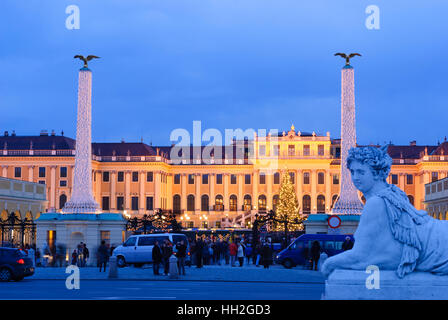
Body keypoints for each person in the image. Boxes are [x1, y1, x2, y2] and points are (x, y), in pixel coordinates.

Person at [322, 145, 448, 279]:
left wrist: (329, 263)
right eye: (352, 172)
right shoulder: (394, 192)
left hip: (437, 247)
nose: (355, 178)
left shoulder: (376, 203)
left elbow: (361, 256)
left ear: (376, 173)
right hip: (438, 236)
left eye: (361, 172)